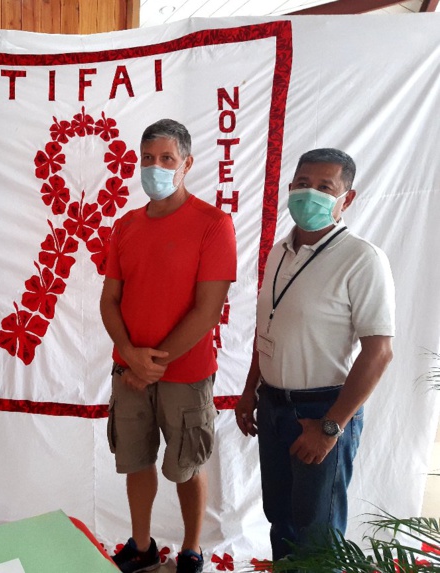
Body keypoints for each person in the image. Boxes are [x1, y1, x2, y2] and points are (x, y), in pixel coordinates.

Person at [234, 148, 395, 560]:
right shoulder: (279, 251)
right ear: (290, 188)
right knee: (280, 519)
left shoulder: (362, 259)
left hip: (323, 410)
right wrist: (250, 390)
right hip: (273, 405)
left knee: (317, 532)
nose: (311, 194)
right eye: (303, 184)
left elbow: (378, 352)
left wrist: (329, 428)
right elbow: (268, 327)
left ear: (347, 199)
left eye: (325, 187)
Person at [100, 119, 237, 573]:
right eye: (147, 159)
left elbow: (208, 310)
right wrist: (130, 356)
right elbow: (109, 300)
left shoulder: (214, 224)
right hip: (128, 371)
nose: (154, 167)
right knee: (135, 461)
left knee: (186, 465)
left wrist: (151, 365)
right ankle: (141, 545)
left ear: (187, 164)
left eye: (166, 159)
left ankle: (191, 549)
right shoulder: (126, 225)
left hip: (186, 374)